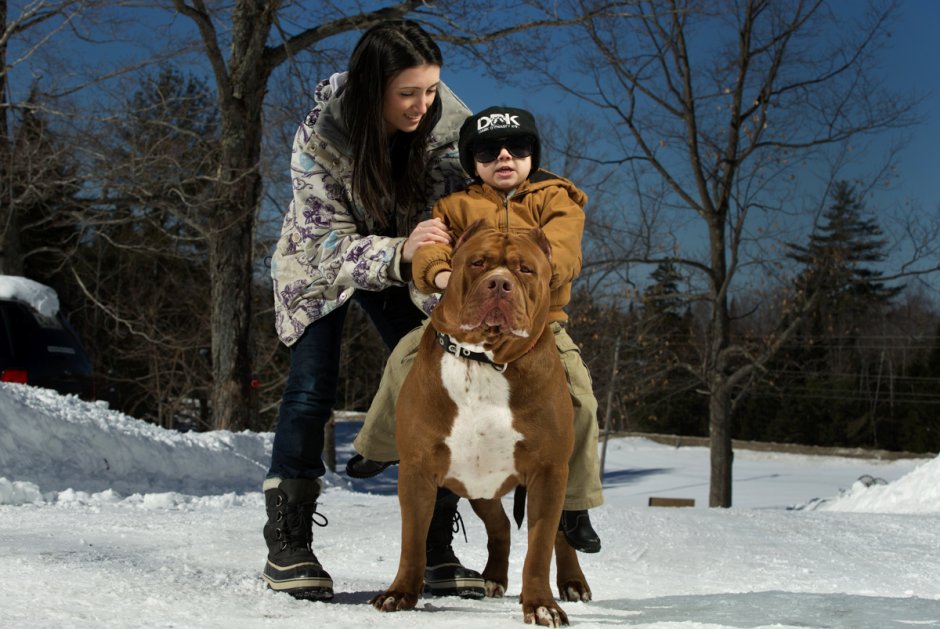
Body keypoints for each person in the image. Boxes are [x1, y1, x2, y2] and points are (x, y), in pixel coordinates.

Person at [265, 20, 484, 602]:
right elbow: (322, 238)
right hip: (323, 260)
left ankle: (435, 543)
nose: (422, 104)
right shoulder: (323, 133)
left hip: (409, 261)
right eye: (407, 92)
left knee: (436, 380)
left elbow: (458, 217)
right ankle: (287, 542)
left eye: (431, 89)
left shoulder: (451, 130)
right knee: (313, 385)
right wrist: (396, 249)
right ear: (373, 88)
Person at [347, 106, 604, 554]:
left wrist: (530, 268)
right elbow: (429, 250)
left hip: (539, 326)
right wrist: (444, 278)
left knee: (580, 396)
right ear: (472, 162)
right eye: (488, 151)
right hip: (459, 322)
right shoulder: (454, 206)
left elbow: (563, 256)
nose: (504, 156)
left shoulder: (557, 199)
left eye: (517, 147)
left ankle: (574, 503)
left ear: (532, 155)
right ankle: (379, 444)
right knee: (405, 355)